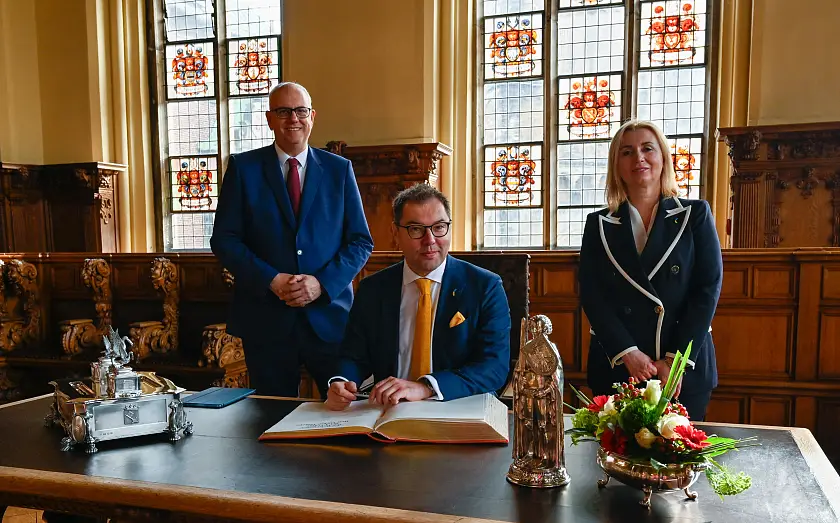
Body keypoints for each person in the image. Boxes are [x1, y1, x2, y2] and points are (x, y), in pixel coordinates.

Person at [211, 82, 373, 397]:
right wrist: (271, 279)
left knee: (343, 410)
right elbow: (225, 239)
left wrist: (321, 284)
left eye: (300, 111)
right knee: (271, 414)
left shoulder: (339, 170)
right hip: (266, 318)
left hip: (328, 317)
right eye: (283, 111)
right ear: (270, 119)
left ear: (312, 117)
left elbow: (360, 241)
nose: (293, 119)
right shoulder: (244, 169)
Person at [578, 120, 722, 421]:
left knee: (678, 450)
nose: (638, 158)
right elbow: (592, 295)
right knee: (615, 450)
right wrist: (628, 353)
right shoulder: (598, 224)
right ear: (617, 165)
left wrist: (675, 361)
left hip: (682, 368)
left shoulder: (695, 215)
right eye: (627, 152)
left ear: (664, 158)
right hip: (620, 367)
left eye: (647, 149)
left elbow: (707, 290)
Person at [324, 184, 510, 410]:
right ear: (395, 233)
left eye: (439, 227)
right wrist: (342, 382)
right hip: (390, 410)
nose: (429, 240)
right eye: (416, 229)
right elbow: (354, 355)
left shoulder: (485, 287)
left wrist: (426, 387)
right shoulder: (373, 289)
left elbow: (494, 368)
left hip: (458, 407)